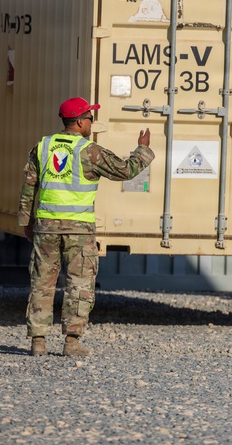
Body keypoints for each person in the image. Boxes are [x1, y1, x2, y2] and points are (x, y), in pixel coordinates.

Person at [19, 97, 154, 357]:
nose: (92, 122)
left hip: (46, 228)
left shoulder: (43, 146)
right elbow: (125, 171)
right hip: (78, 230)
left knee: (41, 284)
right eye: (90, 117)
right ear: (80, 121)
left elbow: (29, 186)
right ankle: (71, 343)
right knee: (79, 284)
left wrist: (27, 221)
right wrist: (142, 149)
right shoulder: (90, 151)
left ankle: (38, 342)